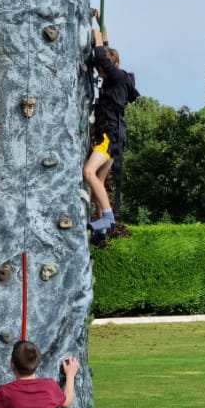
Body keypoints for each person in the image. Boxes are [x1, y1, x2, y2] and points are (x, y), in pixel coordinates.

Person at [84, 27, 140, 245]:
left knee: (88, 173)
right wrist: (103, 28)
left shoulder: (117, 76)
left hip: (110, 136)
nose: (101, 74)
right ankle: (100, 232)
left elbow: (102, 56)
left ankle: (107, 218)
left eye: (102, 71)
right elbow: (105, 55)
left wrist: (96, 35)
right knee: (98, 180)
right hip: (114, 136)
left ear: (113, 66)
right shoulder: (116, 79)